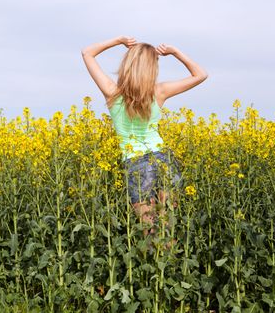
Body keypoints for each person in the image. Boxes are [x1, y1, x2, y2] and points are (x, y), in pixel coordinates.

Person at [81, 35, 208, 245]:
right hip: (164, 161)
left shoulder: (112, 93)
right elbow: (201, 74)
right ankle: (169, 274)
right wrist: (175, 52)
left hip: (137, 165)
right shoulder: (159, 92)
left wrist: (118, 41)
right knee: (168, 229)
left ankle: (151, 275)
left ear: (128, 65)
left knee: (149, 235)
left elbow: (87, 52)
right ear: (152, 69)